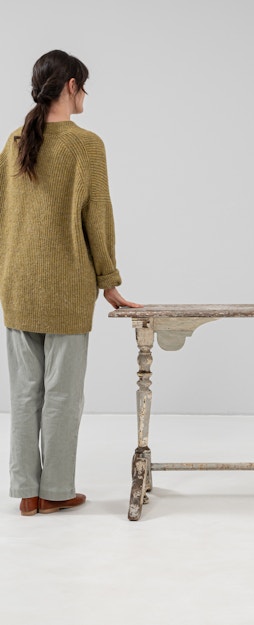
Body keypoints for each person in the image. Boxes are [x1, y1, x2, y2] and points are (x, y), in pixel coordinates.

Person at [0, 50, 142, 516]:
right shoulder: (86, 145)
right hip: (66, 287)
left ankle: (27, 493)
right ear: (70, 86)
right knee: (62, 394)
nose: (85, 95)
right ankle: (57, 491)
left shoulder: (15, 141)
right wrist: (109, 281)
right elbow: (98, 217)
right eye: (83, 85)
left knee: (24, 393)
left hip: (17, 284)